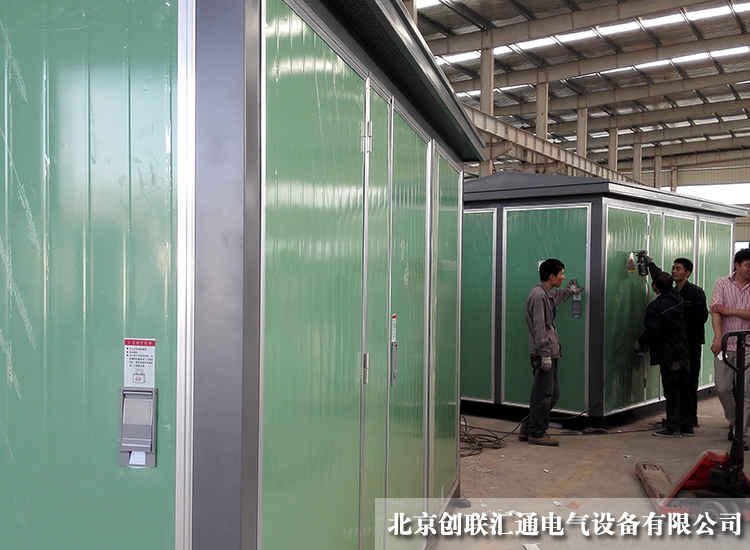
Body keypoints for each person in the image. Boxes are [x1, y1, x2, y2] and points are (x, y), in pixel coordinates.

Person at [519, 258, 583, 446]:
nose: (563, 277)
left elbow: (557, 297)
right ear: (551, 276)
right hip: (543, 354)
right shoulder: (538, 296)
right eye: (561, 274)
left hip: (550, 352)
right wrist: (545, 354)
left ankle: (529, 428)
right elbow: (539, 328)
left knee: (551, 395)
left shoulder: (546, 293)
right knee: (544, 396)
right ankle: (537, 433)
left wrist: (570, 292)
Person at [646, 257, 708, 428]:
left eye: (678, 268)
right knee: (675, 383)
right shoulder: (672, 292)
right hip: (675, 345)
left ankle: (689, 419)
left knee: (689, 381)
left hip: (691, 344)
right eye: (673, 268)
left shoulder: (695, 292)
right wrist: (650, 264)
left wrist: (680, 325)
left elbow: (702, 317)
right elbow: (660, 277)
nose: (674, 271)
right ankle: (677, 418)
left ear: (687, 273)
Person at [637, 272, 691, 437]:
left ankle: (672, 428)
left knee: (671, 390)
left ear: (655, 287)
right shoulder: (678, 299)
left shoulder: (655, 307)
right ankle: (686, 426)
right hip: (682, 350)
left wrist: (640, 343)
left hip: (668, 353)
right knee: (683, 389)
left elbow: (652, 331)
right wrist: (652, 267)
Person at [709, 247, 750, 451]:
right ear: (737, 265)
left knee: (747, 392)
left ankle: (742, 436)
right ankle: (735, 421)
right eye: (748, 265)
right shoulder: (722, 283)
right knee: (723, 388)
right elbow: (715, 312)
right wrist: (718, 338)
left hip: (749, 346)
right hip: (725, 344)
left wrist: (729, 310)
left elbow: (723, 310)